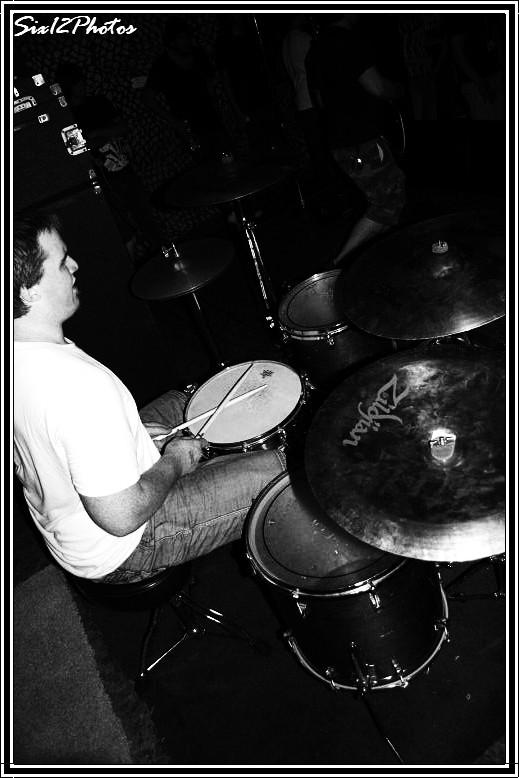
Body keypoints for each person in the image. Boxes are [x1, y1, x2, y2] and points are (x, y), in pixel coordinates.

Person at [13, 212, 285, 584]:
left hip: (68, 525)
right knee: (283, 471)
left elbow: (52, 438)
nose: (74, 265)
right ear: (27, 291)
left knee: (188, 400)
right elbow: (120, 516)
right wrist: (173, 462)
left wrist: (135, 438)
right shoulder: (77, 387)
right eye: (61, 263)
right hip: (125, 544)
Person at [306, 14, 406, 265]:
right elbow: (377, 87)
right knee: (388, 204)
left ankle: (376, 262)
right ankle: (338, 267)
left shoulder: (315, 49)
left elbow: (319, 100)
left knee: (382, 200)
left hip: (339, 141)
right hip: (363, 139)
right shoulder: (350, 41)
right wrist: (400, 89)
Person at [54, 61, 164, 262]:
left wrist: (98, 133)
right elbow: (79, 148)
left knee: (145, 214)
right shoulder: (67, 116)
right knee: (121, 226)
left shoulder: (98, 102)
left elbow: (122, 127)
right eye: (77, 82)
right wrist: (99, 138)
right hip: (100, 177)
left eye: (82, 81)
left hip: (123, 168)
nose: (82, 85)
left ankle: (163, 252)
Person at [142, 18, 230, 160]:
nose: (187, 41)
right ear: (172, 42)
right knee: (206, 164)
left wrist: (217, 107)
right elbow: (148, 97)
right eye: (182, 38)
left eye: (188, 36)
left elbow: (210, 82)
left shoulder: (198, 55)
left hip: (211, 117)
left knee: (227, 155)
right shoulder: (162, 65)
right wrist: (174, 122)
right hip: (189, 126)